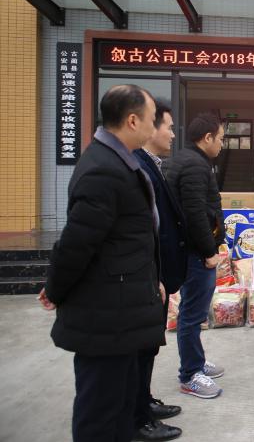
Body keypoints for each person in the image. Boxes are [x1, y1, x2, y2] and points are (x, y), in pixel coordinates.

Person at [39, 84, 165, 442]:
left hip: (121, 310)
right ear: (132, 120)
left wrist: (151, 280)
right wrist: (55, 289)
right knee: (100, 411)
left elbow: (128, 241)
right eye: (152, 119)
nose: (155, 127)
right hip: (106, 316)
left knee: (120, 406)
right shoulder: (103, 169)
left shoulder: (120, 161)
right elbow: (77, 243)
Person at [133, 100, 187, 441]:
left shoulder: (152, 164)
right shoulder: (136, 165)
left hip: (159, 273)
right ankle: (139, 416)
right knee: (141, 347)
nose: (172, 134)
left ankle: (145, 401)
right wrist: (153, 275)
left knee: (150, 345)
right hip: (148, 277)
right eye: (168, 126)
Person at [165, 113, 226, 399]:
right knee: (192, 314)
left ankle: (196, 362)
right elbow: (195, 214)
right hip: (195, 253)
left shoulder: (186, 159)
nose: (222, 145)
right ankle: (190, 374)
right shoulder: (194, 165)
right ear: (207, 138)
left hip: (189, 249)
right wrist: (209, 251)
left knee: (193, 311)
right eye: (221, 139)